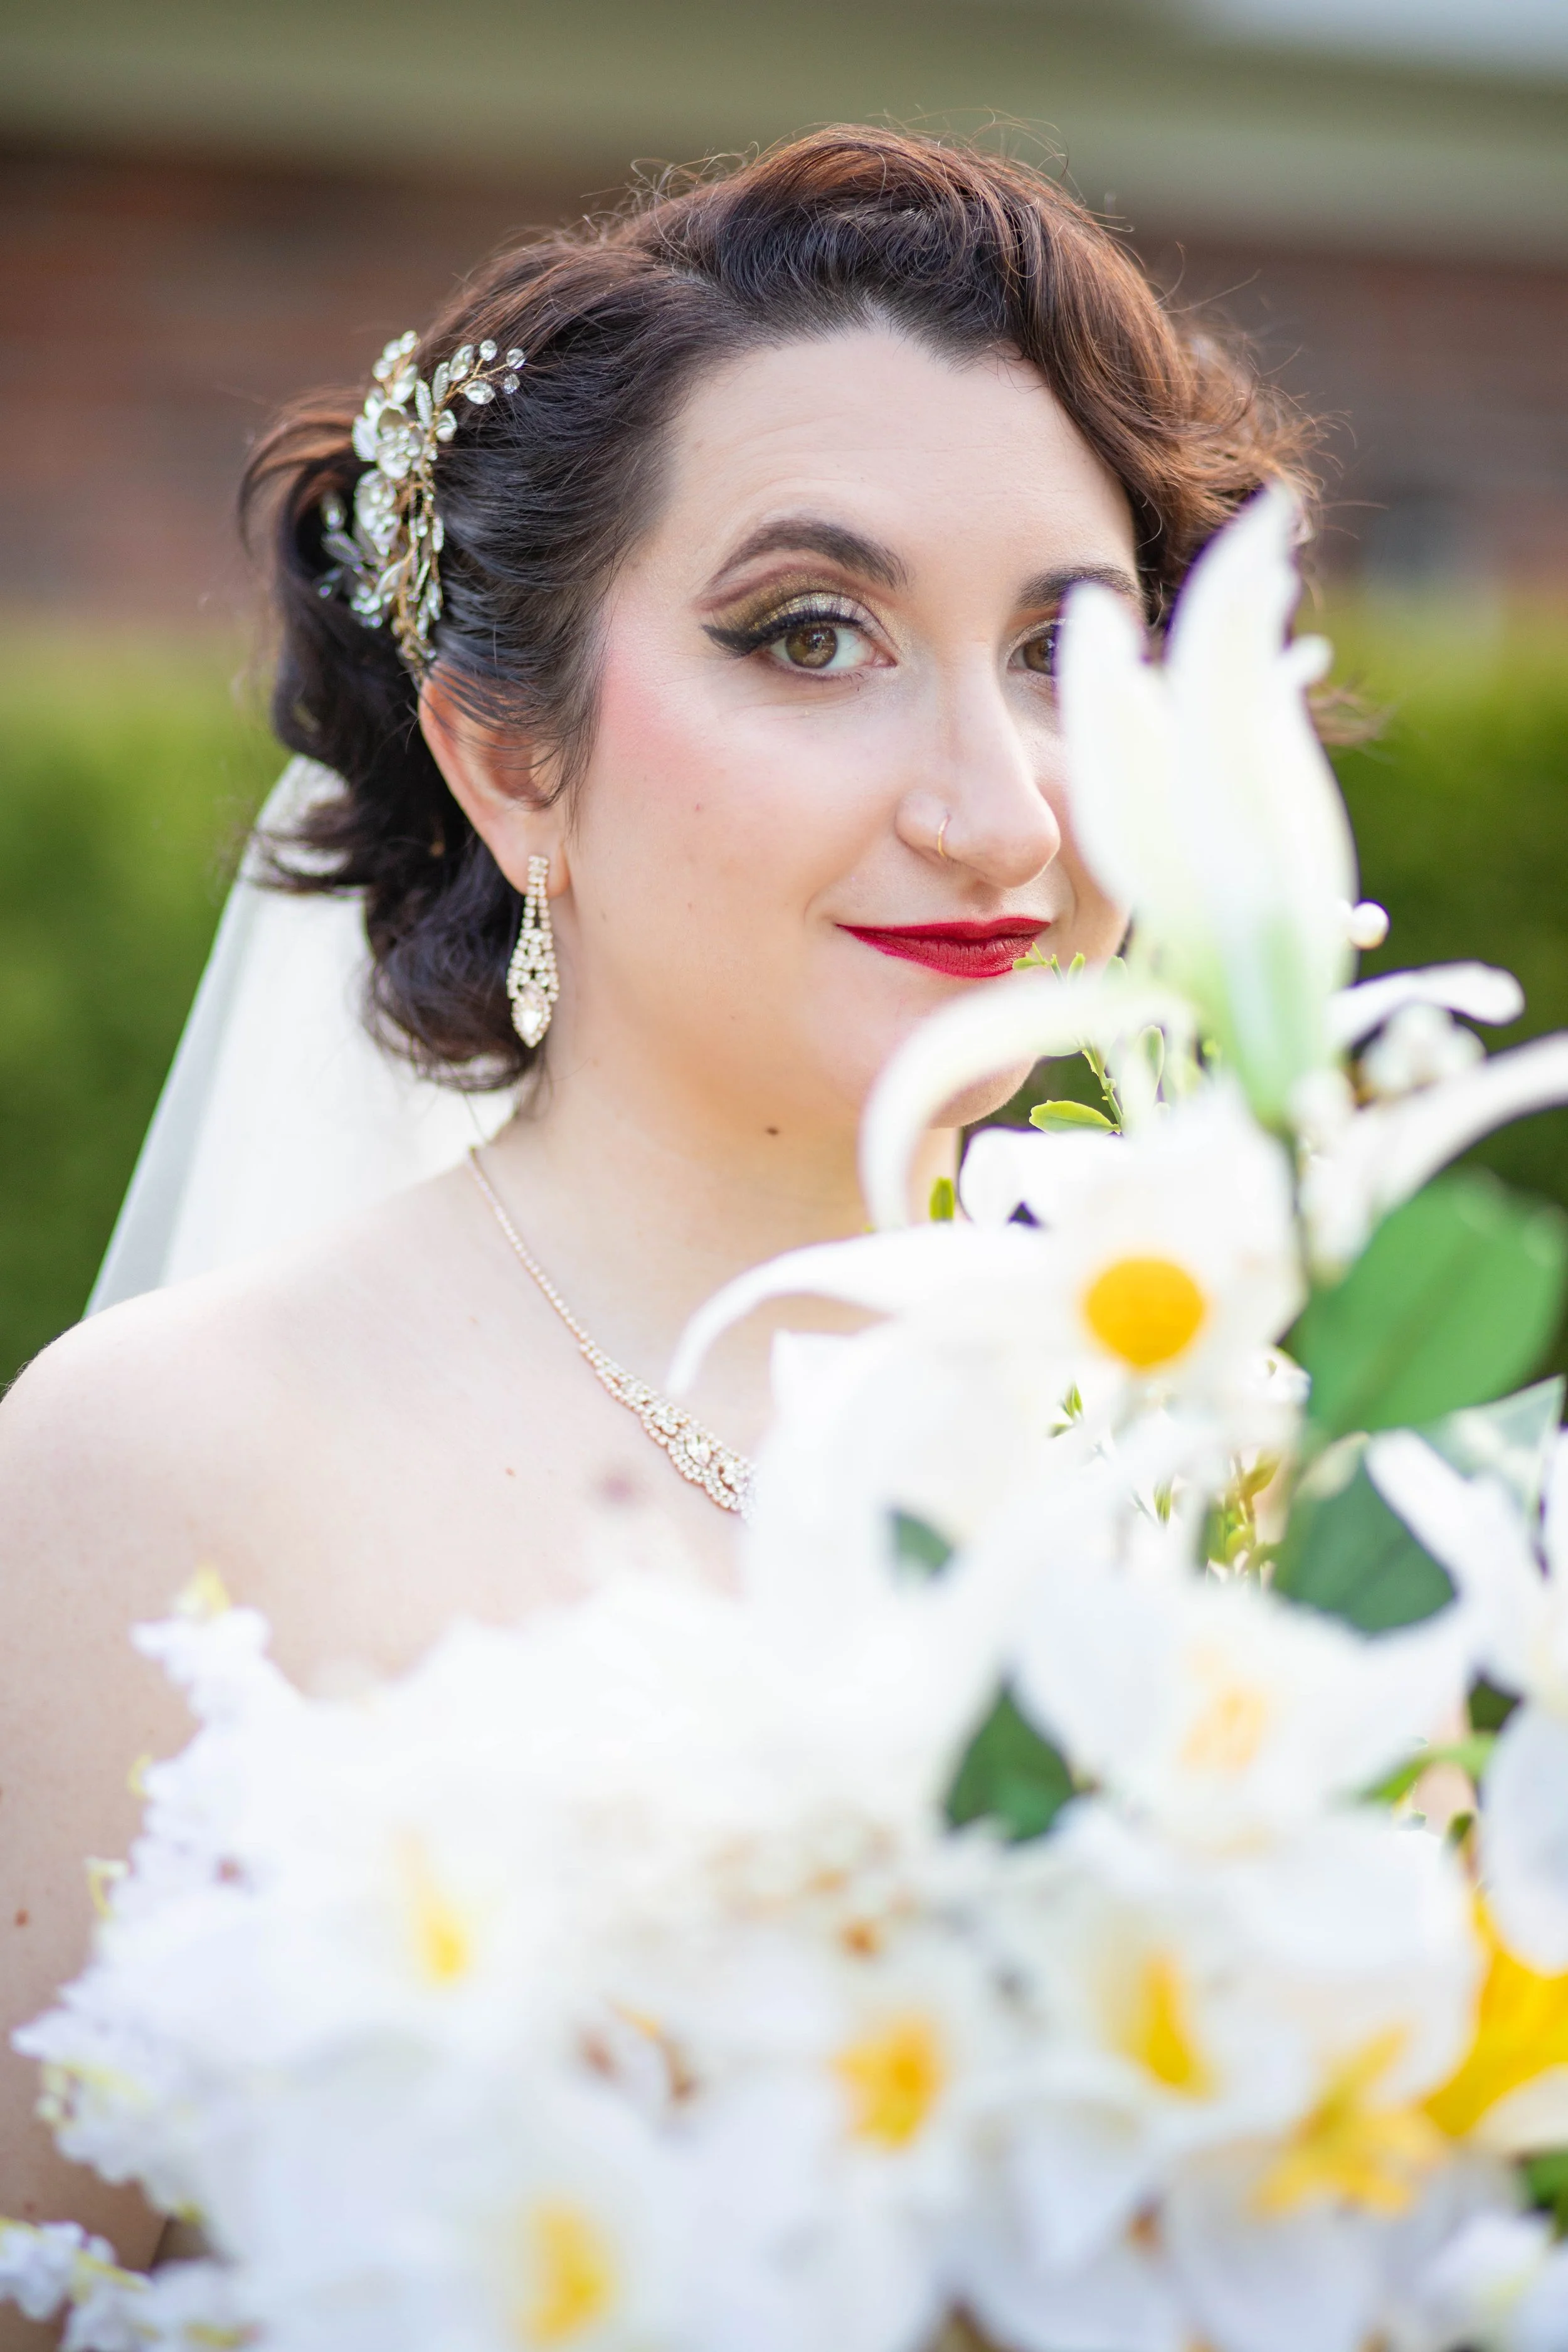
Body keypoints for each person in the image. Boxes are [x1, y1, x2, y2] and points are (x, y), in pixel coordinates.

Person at [0, 128, 1313, 2292]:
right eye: (812, 636)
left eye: (1068, 652)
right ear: (511, 764)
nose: (996, 809)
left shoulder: (1242, 1433)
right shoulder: (166, 1467)